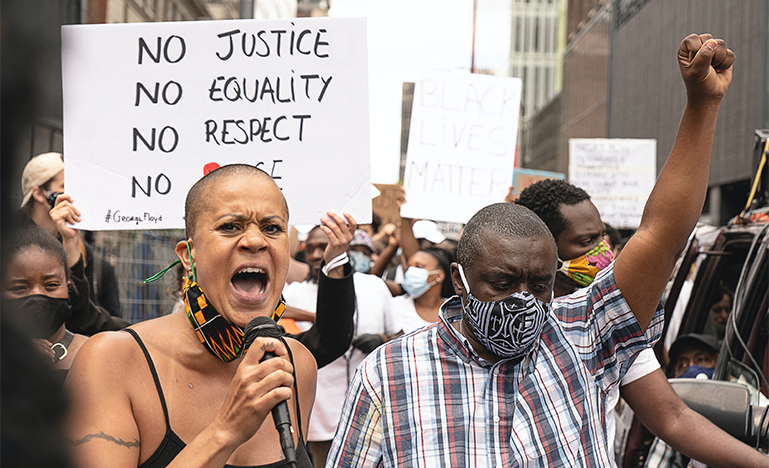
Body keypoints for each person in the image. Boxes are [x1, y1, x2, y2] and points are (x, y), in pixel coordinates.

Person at [326, 34, 756, 467]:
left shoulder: (584, 335)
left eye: (539, 285)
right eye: (502, 282)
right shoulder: (389, 375)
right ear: (459, 280)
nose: (523, 301)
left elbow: (660, 234)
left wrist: (702, 104)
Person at [66, 165, 356, 467]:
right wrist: (226, 431)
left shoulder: (296, 364)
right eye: (230, 226)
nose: (255, 241)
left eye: (272, 228)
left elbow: (332, 336)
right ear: (188, 257)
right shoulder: (112, 361)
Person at [281, 226, 399, 468]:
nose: (315, 255)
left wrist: (383, 339)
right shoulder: (293, 294)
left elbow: (398, 336)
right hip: (317, 422)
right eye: (310, 248)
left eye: (322, 247)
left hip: (372, 419)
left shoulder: (375, 287)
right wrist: (322, 317)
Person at [17, 152, 128, 334]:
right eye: (64, 186)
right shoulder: (10, 242)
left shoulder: (80, 248)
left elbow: (81, 315)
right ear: (38, 193)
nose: (71, 195)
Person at [1, 224, 88, 384]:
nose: (37, 294)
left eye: (51, 285)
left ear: (67, 288)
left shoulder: (94, 354)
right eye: (19, 288)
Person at [644, 334, 721, 468]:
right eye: (683, 364)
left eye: (701, 359)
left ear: (718, 363)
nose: (692, 368)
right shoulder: (674, 419)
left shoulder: (743, 400)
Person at [393, 247, 453, 333]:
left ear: (439, 276)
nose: (411, 271)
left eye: (419, 266)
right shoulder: (395, 306)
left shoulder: (454, 311)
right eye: (409, 267)